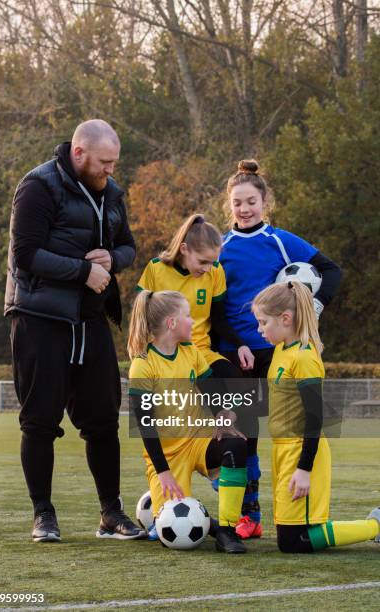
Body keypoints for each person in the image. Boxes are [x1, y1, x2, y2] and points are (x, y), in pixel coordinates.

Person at [5, 119, 146, 542]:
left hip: (91, 318)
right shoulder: (38, 186)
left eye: (115, 162)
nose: (110, 170)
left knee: (103, 419)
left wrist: (113, 259)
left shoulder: (113, 193)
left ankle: (112, 513)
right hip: (40, 319)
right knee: (40, 421)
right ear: (79, 154)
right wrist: (83, 271)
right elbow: (25, 254)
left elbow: (129, 246)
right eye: (104, 162)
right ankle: (43, 515)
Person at [219, 159, 342, 539]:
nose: (245, 208)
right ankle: (249, 515)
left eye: (251, 201)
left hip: (279, 354)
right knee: (243, 436)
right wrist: (238, 343)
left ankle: (303, 504)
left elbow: (331, 270)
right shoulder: (221, 247)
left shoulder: (281, 241)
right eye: (238, 202)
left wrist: (315, 308)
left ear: (264, 202)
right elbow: (214, 308)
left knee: (292, 430)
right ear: (229, 205)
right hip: (236, 354)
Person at [136, 214, 263, 535]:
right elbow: (140, 313)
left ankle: (245, 492)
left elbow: (219, 321)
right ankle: (184, 473)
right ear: (183, 250)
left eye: (213, 262)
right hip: (167, 357)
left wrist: (240, 345)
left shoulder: (215, 273)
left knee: (241, 389)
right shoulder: (155, 269)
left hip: (201, 353)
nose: (209, 267)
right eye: (203, 261)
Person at [251, 280, 379, 553]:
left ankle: (376, 526)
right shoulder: (280, 350)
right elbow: (275, 401)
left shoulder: (305, 357)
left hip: (301, 451)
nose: (259, 330)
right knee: (290, 536)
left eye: (263, 323)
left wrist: (304, 468)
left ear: (285, 319)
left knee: (293, 542)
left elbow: (315, 417)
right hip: (282, 450)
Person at [128, 289, 250, 553]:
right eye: (188, 316)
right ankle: (210, 525)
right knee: (173, 535)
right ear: (172, 323)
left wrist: (223, 414)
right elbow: (145, 425)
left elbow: (212, 393)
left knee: (236, 446)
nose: (193, 322)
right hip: (167, 456)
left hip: (200, 440)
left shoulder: (191, 352)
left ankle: (228, 532)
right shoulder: (143, 365)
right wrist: (163, 473)